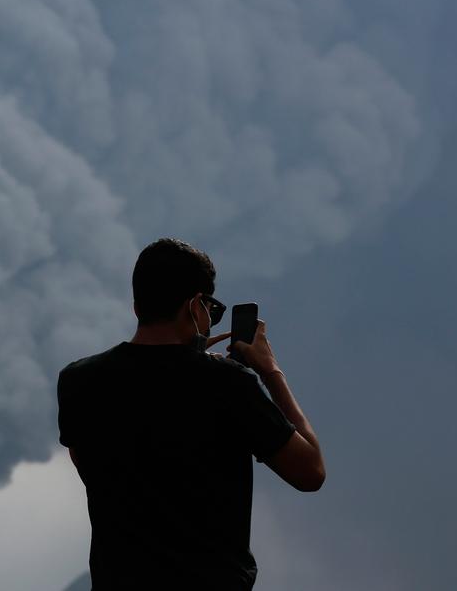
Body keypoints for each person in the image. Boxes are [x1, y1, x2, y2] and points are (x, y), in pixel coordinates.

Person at [57, 238, 325, 589]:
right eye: (211, 310)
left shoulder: (78, 380)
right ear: (196, 304)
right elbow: (310, 472)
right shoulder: (229, 385)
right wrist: (270, 372)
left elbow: (92, 469)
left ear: (137, 306)